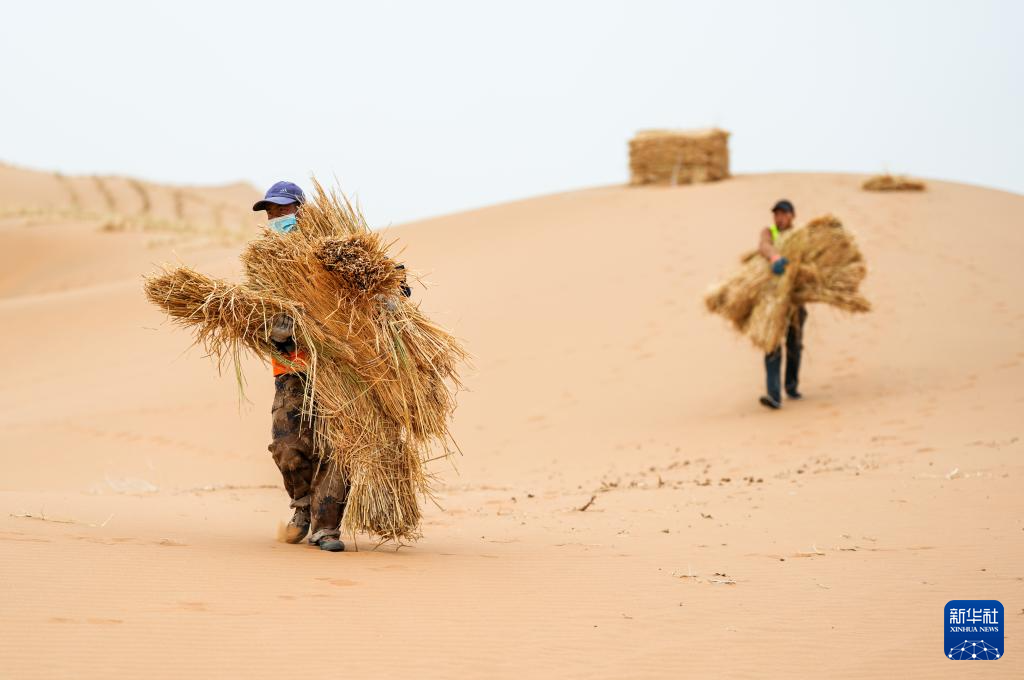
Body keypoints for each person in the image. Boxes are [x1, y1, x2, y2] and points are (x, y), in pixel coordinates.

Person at [757, 199, 806, 410]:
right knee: (772, 345)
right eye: (777, 214)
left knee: (794, 345)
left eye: (784, 214)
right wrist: (774, 257)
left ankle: (791, 387)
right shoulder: (769, 232)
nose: (780, 217)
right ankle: (774, 395)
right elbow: (763, 246)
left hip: (795, 301)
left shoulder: (801, 236)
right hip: (773, 300)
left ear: (793, 215)